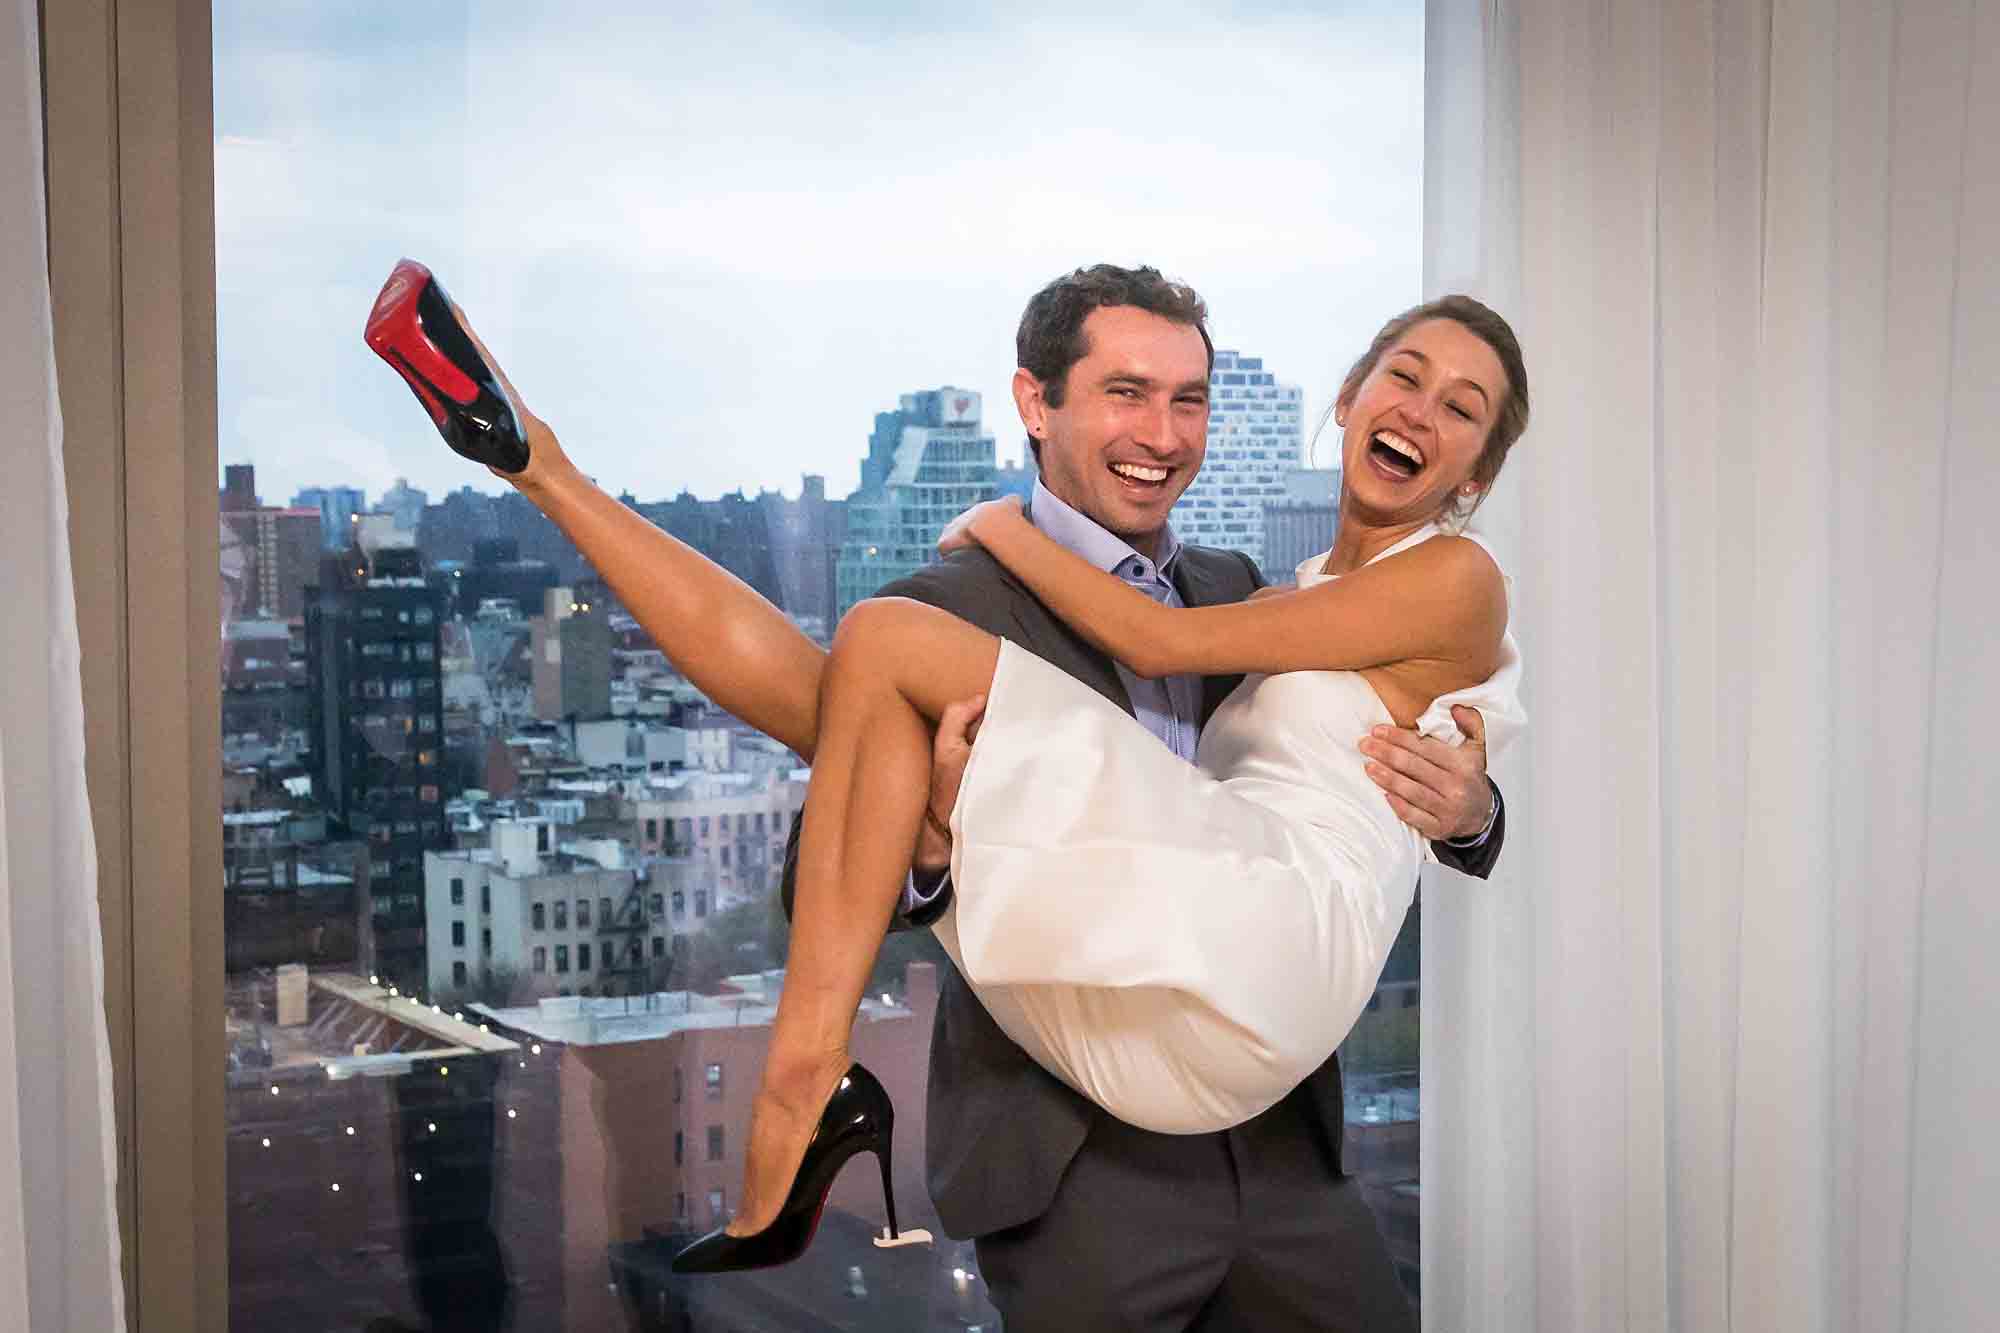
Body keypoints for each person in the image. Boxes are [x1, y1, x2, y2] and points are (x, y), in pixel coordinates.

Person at [370, 262, 1520, 1329]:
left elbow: (1361, 759)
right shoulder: (948, 607)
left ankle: (803, 1090)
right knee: (856, 677)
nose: (1161, 435)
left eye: (1187, 401)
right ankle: (547, 472)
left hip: (1275, 1141)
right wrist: (927, 839)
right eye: (1125, 393)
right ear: (1034, 402)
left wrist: (1471, 811)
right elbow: (831, 869)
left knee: (852, 672)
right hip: (1083, 1163)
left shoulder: (1233, 590)